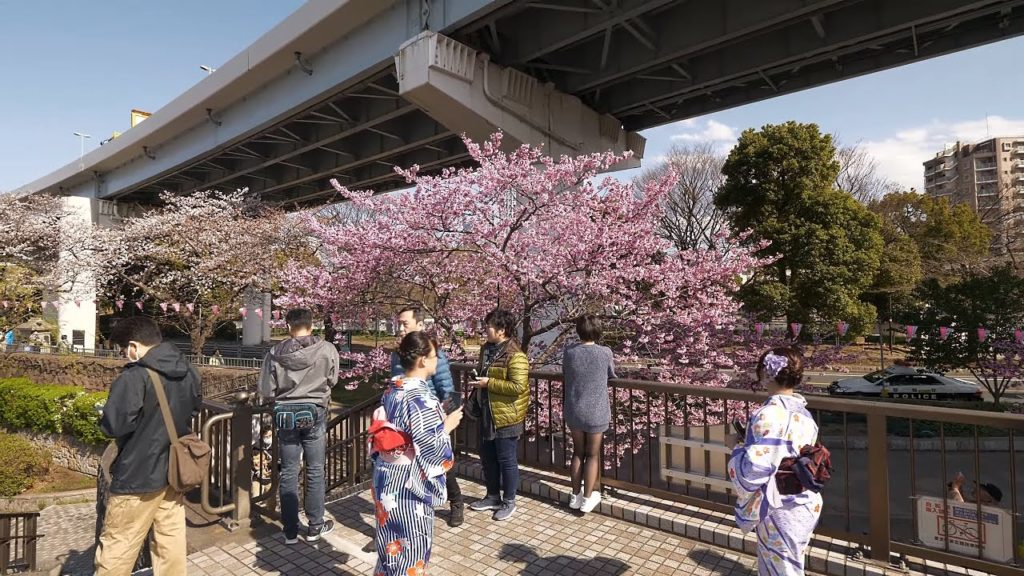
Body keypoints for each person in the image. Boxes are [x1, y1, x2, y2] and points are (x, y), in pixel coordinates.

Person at [94, 317, 203, 575]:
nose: (124, 356)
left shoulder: (134, 377)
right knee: (170, 543)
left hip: (137, 475)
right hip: (173, 472)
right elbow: (195, 407)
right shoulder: (189, 370)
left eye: (123, 350)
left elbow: (115, 426)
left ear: (133, 346)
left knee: (118, 546)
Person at [372, 331, 462, 575]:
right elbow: (430, 445)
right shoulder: (422, 397)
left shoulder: (392, 390)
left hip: (385, 475)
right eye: (435, 355)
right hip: (408, 484)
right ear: (423, 360)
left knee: (390, 545)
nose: (437, 359)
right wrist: (446, 427)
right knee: (411, 547)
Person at [728, 346, 821, 576]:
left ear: (766, 374)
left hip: (780, 504)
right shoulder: (804, 414)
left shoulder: (768, 414)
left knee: (781, 569)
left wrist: (738, 452)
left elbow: (757, 468)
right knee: (787, 564)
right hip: (804, 501)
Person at [258, 308, 340, 544]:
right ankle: (315, 525)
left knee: (289, 471)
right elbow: (333, 379)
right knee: (315, 470)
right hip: (315, 412)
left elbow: (266, 389)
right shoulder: (326, 349)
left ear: (288, 326)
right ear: (312, 325)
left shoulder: (274, 353)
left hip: (285, 416)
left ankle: (290, 529)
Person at [389, 306, 464, 527]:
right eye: (398, 323)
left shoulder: (433, 354)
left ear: (420, 325)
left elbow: (448, 389)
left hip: (431, 419)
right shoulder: (397, 354)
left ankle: (456, 501)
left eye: (405, 324)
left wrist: (447, 421)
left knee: (440, 464)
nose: (400, 328)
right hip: (403, 422)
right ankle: (395, 517)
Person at [467, 309, 529, 521]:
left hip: (506, 416)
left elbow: (518, 386)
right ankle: (492, 495)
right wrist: (479, 379)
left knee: (507, 460)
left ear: (502, 330)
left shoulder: (516, 355)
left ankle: (509, 501)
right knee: (488, 458)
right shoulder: (486, 349)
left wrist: (489, 383)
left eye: (489, 326)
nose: (486, 330)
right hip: (487, 411)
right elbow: (485, 373)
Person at [562, 314, 616, 514]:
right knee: (592, 455)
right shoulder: (605, 353)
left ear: (578, 331)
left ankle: (574, 496)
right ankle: (587, 498)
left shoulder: (569, 352)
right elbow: (611, 374)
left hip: (574, 409)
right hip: (596, 411)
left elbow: (566, 372)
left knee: (577, 453)